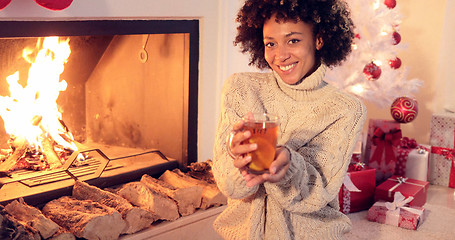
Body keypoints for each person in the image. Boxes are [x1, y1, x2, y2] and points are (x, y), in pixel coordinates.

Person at [212, 0, 367, 239]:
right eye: (270, 43)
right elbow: (230, 187)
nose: (280, 55)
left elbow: (315, 197)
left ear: (319, 39)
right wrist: (237, 157)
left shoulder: (346, 109)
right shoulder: (241, 88)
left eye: (293, 40)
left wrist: (288, 169)